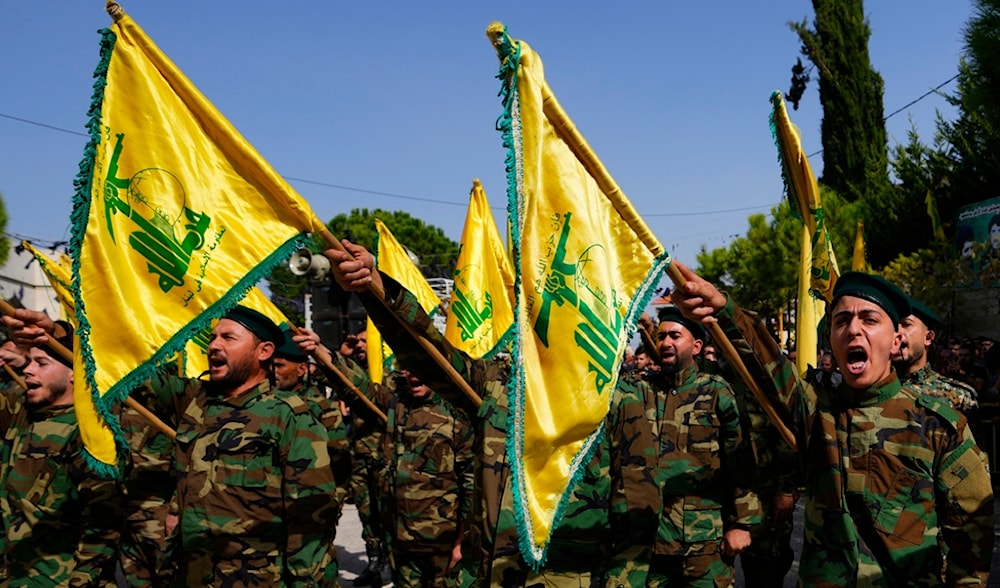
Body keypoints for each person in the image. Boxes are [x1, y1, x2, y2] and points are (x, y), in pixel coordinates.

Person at [672, 266, 995, 586]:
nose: (854, 329)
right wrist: (725, 310)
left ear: (895, 339)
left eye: (869, 319)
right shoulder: (814, 410)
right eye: (842, 321)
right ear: (831, 339)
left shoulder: (937, 424)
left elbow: (971, 531)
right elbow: (768, 364)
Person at [324, 240, 614, 587]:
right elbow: (426, 348)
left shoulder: (617, 398)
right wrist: (375, 287)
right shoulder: (495, 384)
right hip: (491, 571)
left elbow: (636, 514)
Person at [10, 306, 341, 585]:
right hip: (188, 574)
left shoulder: (290, 416)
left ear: (264, 351)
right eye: (212, 337)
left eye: (228, 337)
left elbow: (311, 518)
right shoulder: (195, 400)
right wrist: (57, 334)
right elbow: (125, 368)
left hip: (256, 578)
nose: (214, 345)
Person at [605, 306, 760, 587]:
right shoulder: (637, 390)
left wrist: (741, 524)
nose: (665, 342)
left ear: (697, 346)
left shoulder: (717, 393)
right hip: (645, 543)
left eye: (675, 336)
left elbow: (741, 460)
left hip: (703, 545)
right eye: (661, 336)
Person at [0, 318, 126, 585]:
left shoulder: (91, 433)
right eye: (29, 361)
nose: (28, 370)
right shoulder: (20, 411)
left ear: (73, 374)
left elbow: (102, 527)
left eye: (41, 364)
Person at [894, 297, 978, 414]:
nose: (896, 333)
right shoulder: (867, 391)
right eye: (892, 326)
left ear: (928, 337)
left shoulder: (957, 397)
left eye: (906, 324)